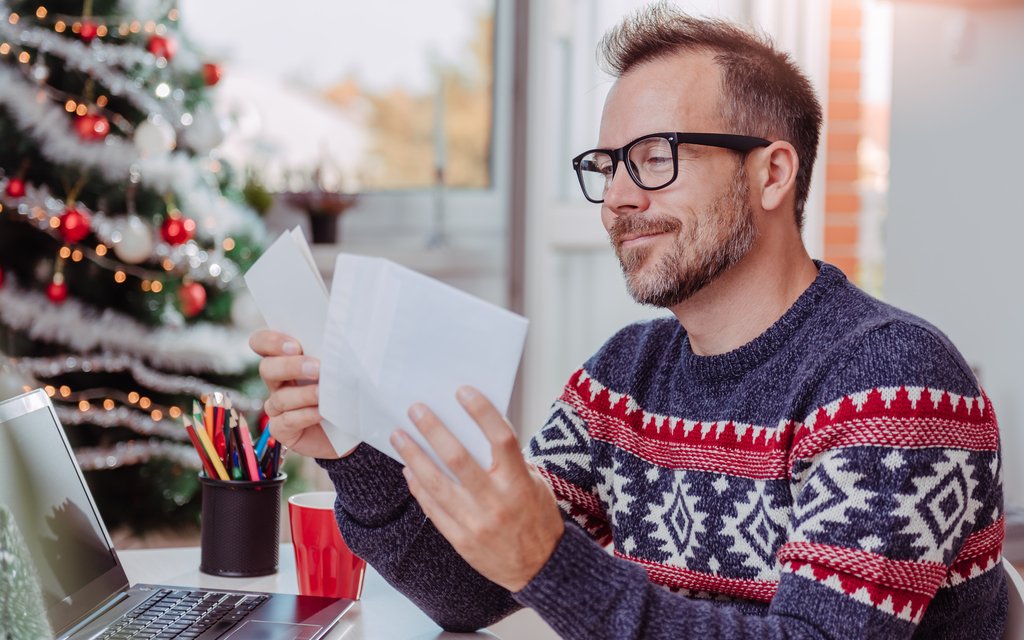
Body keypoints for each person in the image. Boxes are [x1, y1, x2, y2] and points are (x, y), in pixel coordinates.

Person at [250, 4, 1006, 638]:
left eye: (653, 158)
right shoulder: (625, 377)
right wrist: (350, 448)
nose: (617, 198)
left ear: (772, 173)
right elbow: (470, 593)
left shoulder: (893, 382)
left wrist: (550, 559)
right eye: (607, 166)